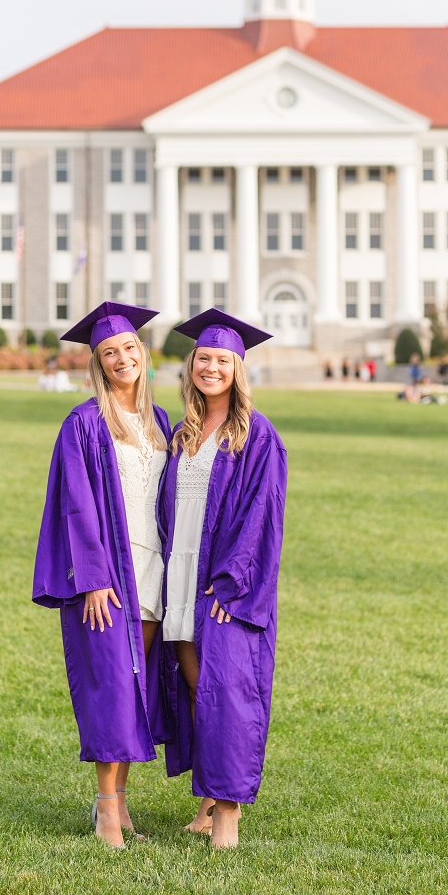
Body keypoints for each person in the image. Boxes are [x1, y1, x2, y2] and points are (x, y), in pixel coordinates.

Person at [32, 301, 172, 849]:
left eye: (130, 349)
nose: (122, 358)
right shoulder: (84, 423)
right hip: (110, 573)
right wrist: (91, 577)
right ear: (98, 362)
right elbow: (77, 505)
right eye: (110, 352)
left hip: (154, 568)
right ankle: (107, 811)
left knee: (135, 688)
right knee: (112, 687)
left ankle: (119, 803)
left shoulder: (159, 422)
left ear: (143, 354)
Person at [158, 309, 287, 849]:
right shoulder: (181, 431)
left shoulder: (256, 436)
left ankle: (226, 819)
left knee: (227, 689)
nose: (211, 368)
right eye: (203, 359)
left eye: (222, 360)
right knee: (195, 687)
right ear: (191, 367)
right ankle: (209, 802)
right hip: (180, 574)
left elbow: (262, 514)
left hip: (223, 584)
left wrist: (232, 583)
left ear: (237, 368)